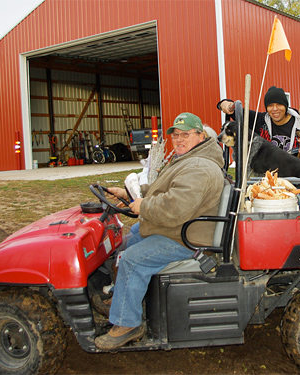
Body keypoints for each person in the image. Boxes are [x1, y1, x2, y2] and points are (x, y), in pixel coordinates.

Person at [94, 112, 226, 350]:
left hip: (186, 237)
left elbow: (174, 206)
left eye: (185, 134)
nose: (179, 139)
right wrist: (131, 193)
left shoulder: (199, 167)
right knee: (129, 238)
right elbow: (164, 189)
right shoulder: (189, 159)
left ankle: (128, 324)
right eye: (175, 135)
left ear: (200, 136)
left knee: (133, 260)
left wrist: (143, 205)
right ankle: (121, 296)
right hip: (177, 226)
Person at [217, 86, 300, 191]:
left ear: (285, 106)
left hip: (295, 167)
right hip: (269, 169)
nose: (275, 109)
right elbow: (234, 110)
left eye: (279, 105)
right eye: (270, 105)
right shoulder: (260, 119)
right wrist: (225, 104)